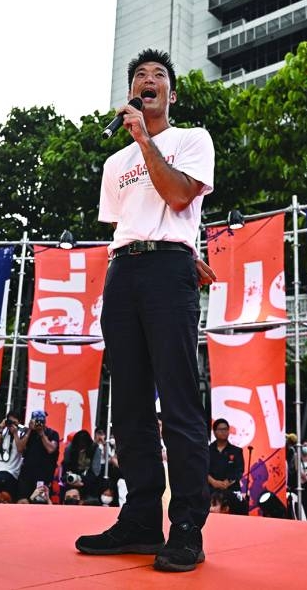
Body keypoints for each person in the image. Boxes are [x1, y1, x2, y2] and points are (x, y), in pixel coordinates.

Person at [76, 48, 216, 573]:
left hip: (169, 270)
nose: (148, 80)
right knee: (129, 402)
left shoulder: (190, 140)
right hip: (123, 269)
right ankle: (139, 520)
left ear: (170, 94)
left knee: (179, 400)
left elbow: (179, 199)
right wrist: (133, 146)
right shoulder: (116, 165)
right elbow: (125, 222)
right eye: (140, 76)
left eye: (158, 76)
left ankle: (185, 529)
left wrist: (143, 139)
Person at [18, 410, 59, 499]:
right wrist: (29, 430)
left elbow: (51, 449)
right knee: (24, 502)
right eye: (37, 421)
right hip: (27, 477)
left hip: (44, 478)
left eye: (41, 421)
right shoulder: (27, 433)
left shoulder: (52, 434)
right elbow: (20, 448)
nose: (39, 424)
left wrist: (41, 434)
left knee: (40, 503)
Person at [0, 413, 25, 501]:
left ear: (19, 422)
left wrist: (15, 433)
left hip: (12, 473)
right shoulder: (0, 432)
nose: (11, 424)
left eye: (14, 422)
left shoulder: (22, 433)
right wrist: (1, 429)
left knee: (8, 501)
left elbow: (21, 449)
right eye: (10, 422)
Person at [207, 419, 243, 497]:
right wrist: (213, 482)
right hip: (210, 491)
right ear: (214, 432)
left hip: (231, 491)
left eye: (226, 429)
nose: (224, 432)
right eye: (220, 429)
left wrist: (227, 482)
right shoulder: (206, 450)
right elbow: (201, 469)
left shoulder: (236, 451)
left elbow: (239, 471)